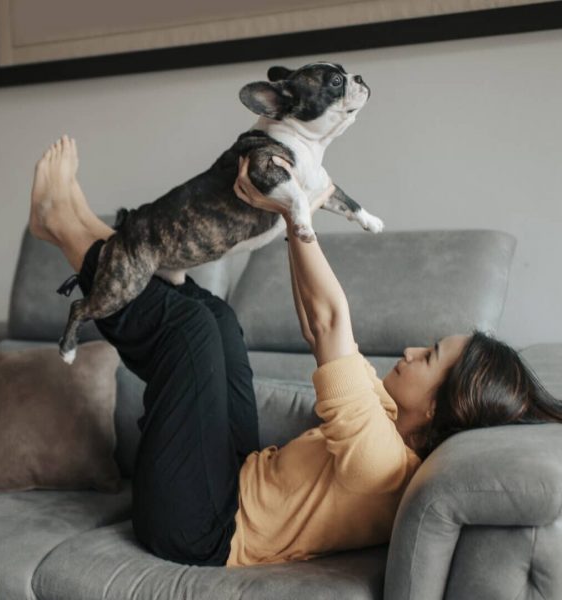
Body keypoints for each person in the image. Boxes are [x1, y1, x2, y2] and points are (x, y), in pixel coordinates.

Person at [28, 135, 562, 568]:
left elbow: (331, 321)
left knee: (189, 331)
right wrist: (290, 223)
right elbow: (314, 323)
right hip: (231, 477)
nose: (411, 349)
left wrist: (294, 213)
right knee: (217, 320)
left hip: (198, 528)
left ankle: (64, 228)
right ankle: (89, 233)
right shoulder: (390, 419)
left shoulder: (382, 462)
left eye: (430, 358)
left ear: (441, 409)